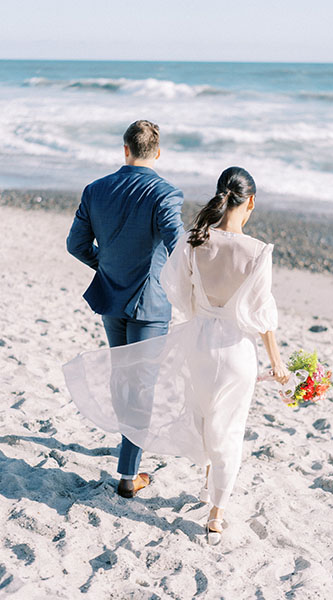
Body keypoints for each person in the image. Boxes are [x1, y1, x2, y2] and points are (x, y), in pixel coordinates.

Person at [64, 167, 291, 543]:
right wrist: (277, 362)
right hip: (235, 350)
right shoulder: (257, 252)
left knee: (203, 418)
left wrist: (202, 316)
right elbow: (262, 315)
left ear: (220, 196)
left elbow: (176, 291)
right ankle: (216, 512)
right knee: (228, 429)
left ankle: (206, 485)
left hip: (198, 343)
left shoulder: (194, 242)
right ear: (250, 202)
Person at [66, 119, 184, 499]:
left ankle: (126, 445)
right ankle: (129, 475)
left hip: (111, 296)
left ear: (125, 150)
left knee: (123, 376)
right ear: (159, 152)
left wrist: (106, 263)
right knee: (141, 387)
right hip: (149, 303)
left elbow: (75, 245)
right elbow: (179, 247)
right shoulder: (165, 194)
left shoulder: (96, 189)